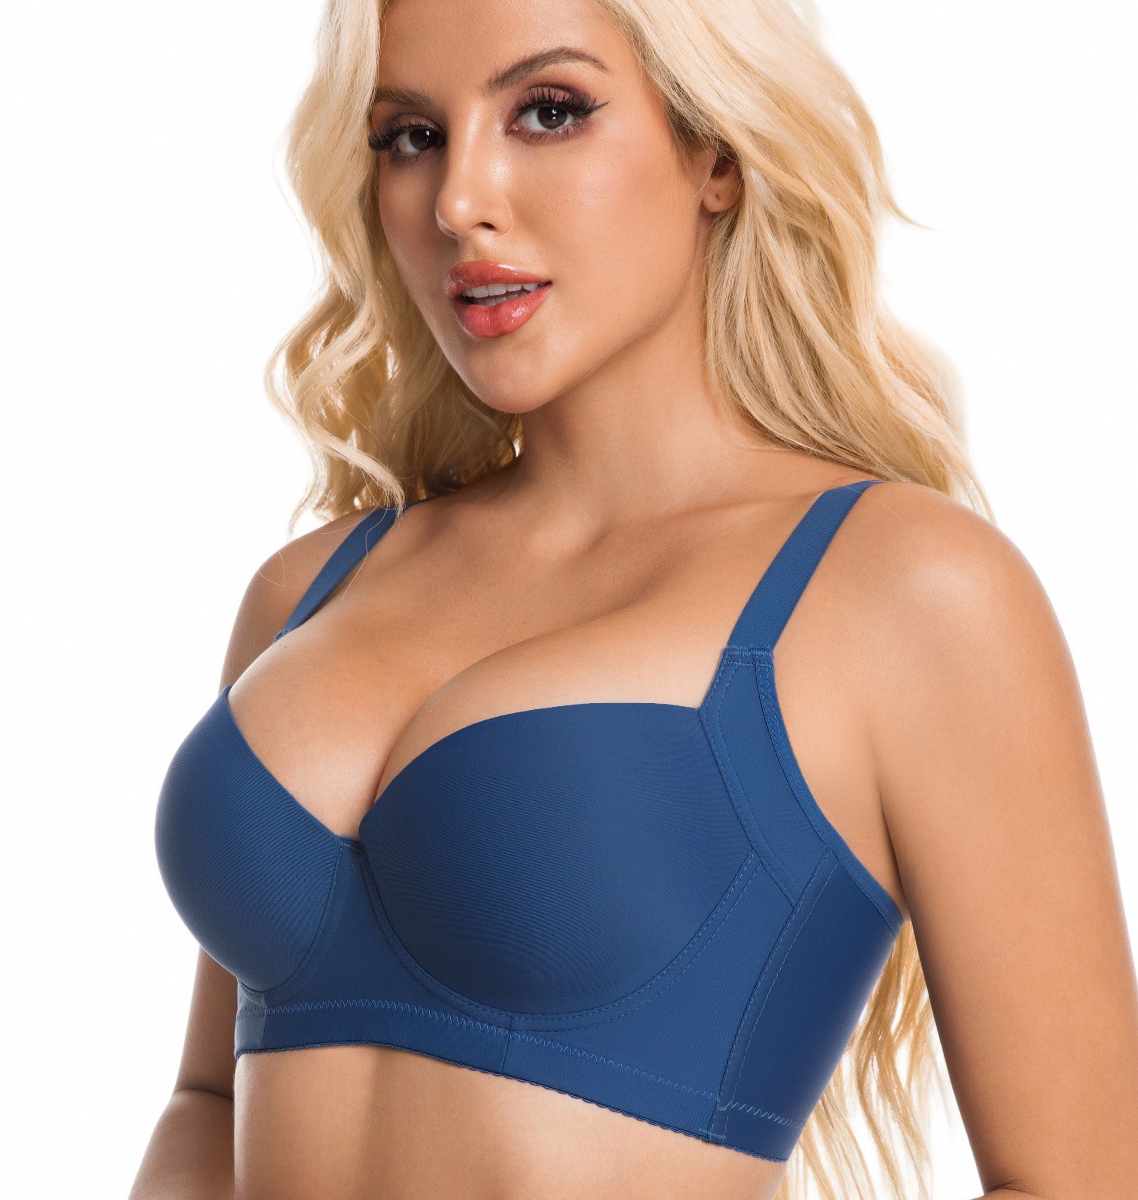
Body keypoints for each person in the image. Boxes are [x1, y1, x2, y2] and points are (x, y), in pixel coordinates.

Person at [129, 0, 1138, 1197]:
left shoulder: (906, 593)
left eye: (549, 112)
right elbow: (208, 1102)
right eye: (412, 136)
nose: (459, 200)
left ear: (715, 153)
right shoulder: (308, 592)